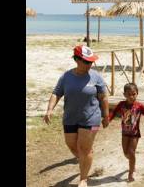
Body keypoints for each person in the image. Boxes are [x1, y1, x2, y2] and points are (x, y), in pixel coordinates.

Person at [43, 45, 110, 187]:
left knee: (84, 149)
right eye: (87, 61)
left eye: (91, 62)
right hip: (70, 117)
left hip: (91, 118)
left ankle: (83, 179)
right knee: (72, 145)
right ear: (77, 60)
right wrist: (49, 110)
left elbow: (103, 97)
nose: (90, 64)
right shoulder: (66, 76)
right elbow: (56, 93)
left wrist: (106, 115)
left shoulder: (96, 76)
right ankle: (87, 159)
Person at [108, 83, 144, 182]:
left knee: (131, 151)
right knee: (126, 153)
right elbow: (113, 112)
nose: (131, 97)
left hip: (135, 134)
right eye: (129, 94)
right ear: (124, 94)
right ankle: (132, 162)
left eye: (134, 94)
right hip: (124, 133)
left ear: (137, 94)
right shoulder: (121, 105)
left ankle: (131, 172)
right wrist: (108, 119)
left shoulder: (139, 106)